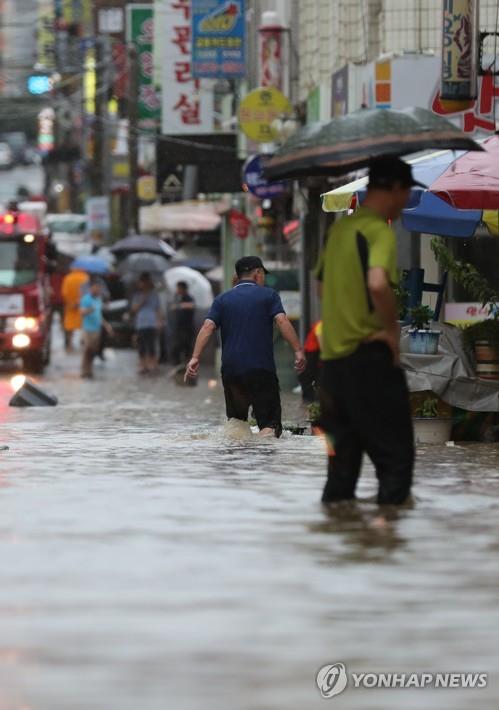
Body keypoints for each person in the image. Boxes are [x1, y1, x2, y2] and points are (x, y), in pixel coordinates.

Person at [316, 156, 419, 506]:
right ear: (393, 188)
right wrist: (390, 332)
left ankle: (342, 545)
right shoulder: (378, 230)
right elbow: (378, 284)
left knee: (340, 473)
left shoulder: (338, 230)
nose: (407, 200)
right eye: (406, 192)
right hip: (369, 361)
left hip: (331, 369)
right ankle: (385, 549)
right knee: (396, 464)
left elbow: (321, 286)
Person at [185, 256, 306, 437]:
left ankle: (239, 461)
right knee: (271, 427)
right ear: (257, 273)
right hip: (261, 370)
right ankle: (259, 452)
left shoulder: (222, 299)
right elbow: (281, 321)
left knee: (237, 426)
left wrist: (195, 357)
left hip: (231, 371)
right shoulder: (269, 295)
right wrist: (298, 350)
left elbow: (208, 327)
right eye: (263, 274)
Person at [130, 272, 162, 374]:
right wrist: (142, 300)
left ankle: (153, 364)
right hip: (141, 323)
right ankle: (143, 365)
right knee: (142, 346)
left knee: (152, 345)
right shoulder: (137, 295)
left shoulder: (154, 294)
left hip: (152, 323)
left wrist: (159, 321)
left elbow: (158, 309)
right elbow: (133, 310)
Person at [80, 277, 111, 378]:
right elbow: (82, 312)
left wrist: (106, 325)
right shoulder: (86, 299)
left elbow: (99, 315)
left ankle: (90, 369)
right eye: (96, 287)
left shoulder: (98, 299)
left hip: (96, 328)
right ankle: (85, 369)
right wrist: (89, 310)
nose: (98, 289)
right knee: (88, 348)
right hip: (87, 328)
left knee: (93, 349)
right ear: (91, 288)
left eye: (99, 288)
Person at [61, 269, 89, 351]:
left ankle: (69, 344)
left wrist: (71, 303)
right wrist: (79, 301)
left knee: (70, 327)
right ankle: (84, 341)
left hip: (71, 307)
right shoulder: (85, 277)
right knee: (84, 324)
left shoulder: (68, 278)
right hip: (83, 305)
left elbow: (64, 293)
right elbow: (87, 292)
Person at [170, 281, 195, 365]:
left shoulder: (189, 298)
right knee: (176, 347)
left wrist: (179, 306)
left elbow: (192, 305)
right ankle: (177, 365)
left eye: (179, 288)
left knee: (187, 348)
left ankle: (187, 365)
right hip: (178, 328)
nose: (177, 290)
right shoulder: (176, 298)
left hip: (187, 328)